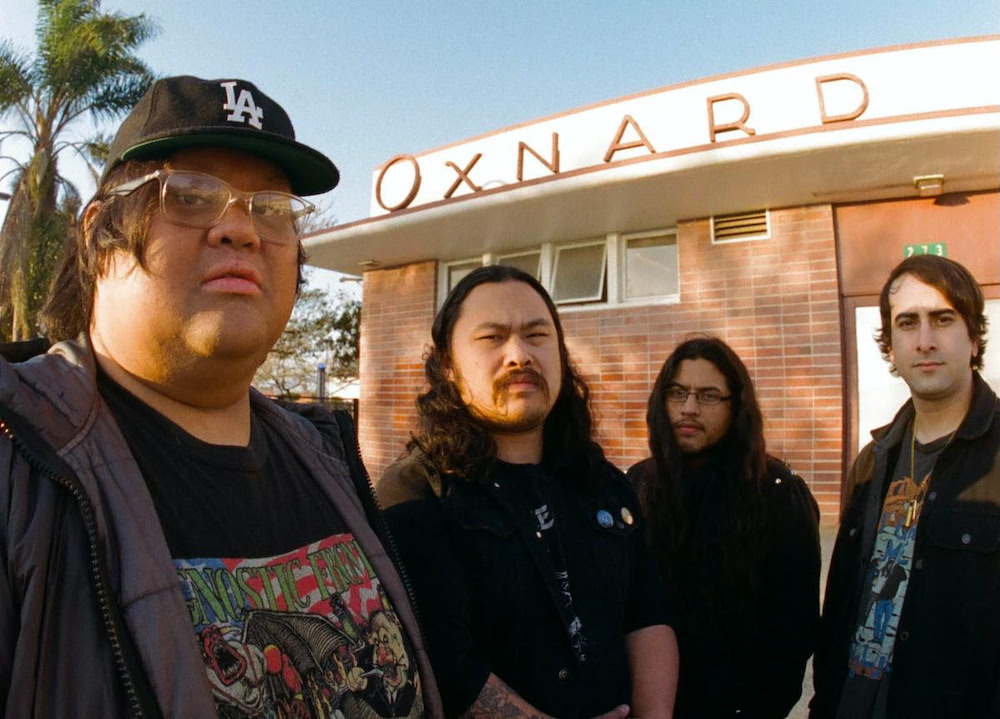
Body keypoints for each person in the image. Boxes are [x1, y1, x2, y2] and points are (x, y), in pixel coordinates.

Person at [0, 75, 443, 718]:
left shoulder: (328, 456)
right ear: (98, 232)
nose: (242, 229)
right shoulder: (20, 459)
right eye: (189, 195)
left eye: (272, 209)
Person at [377, 265, 679, 719]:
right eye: (492, 338)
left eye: (537, 336)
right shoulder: (417, 492)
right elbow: (443, 663)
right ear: (448, 365)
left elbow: (647, 615)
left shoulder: (602, 482)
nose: (519, 355)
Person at [811, 255, 1000, 718]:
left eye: (943, 319)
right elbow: (842, 607)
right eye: (908, 323)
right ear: (891, 347)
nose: (925, 340)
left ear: (974, 338)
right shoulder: (872, 462)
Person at [627, 336, 821, 718]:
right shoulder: (637, 486)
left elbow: (792, 633)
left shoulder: (778, 494)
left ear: (737, 406)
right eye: (677, 392)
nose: (689, 408)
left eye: (709, 395)